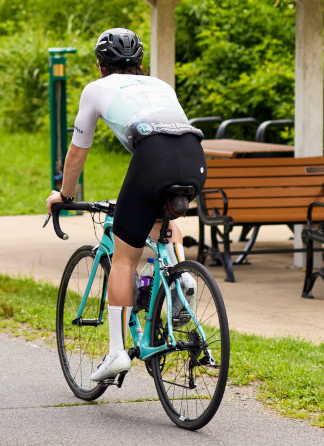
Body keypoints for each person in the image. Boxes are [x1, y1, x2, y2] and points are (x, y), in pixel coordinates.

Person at [45, 27, 205, 383]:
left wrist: (65, 196)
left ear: (100, 66)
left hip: (154, 159)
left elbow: (76, 154)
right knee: (162, 222)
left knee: (124, 256)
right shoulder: (161, 85)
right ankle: (181, 283)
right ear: (141, 64)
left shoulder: (96, 89)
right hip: (193, 156)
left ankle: (117, 352)